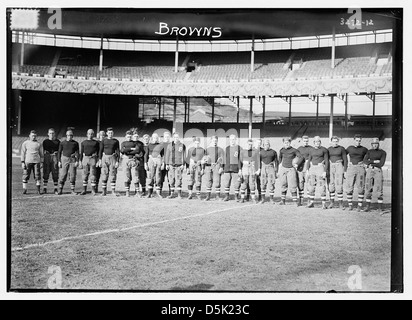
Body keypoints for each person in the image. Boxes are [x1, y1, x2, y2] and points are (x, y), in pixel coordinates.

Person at [362, 138, 387, 212]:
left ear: (378, 144)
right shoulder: (369, 151)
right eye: (373, 144)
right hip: (370, 170)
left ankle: (380, 208)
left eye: (376, 143)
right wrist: (373, 161)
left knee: (379, 189)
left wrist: (370, 162)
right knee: (368, 188)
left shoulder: (382, 152)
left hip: (377, 171)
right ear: (371, 144)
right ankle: (367, 207)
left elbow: (381, 163)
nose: (375, 145)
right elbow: (365, 161)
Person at [345, 134, 368, 211]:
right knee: (349, 187)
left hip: (360, 168)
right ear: (354, 140)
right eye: (357, 140)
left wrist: (365, 163)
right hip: (351, 168)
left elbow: (370, 156)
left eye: (359, 141)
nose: (358, 142)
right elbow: (342, 155)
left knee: (361, 187)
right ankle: (350, 205)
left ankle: (359, 206)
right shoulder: (349, 148)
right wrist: (347, 163)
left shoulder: (364, 149)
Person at [306, 136, 329, 209]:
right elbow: (309, 160)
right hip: (312, 168)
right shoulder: (311, 150)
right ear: (314, 142)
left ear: (320, 142)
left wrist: (325, 171)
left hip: (320, 168)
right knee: (311, 186)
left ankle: (324, 203)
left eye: (318, 141)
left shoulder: (324, 150)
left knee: (322, 186)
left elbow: (326, 161)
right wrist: (307, 170)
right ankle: (311, 203)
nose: (317, 143)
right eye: (316, 142)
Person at [278, 137, 303, 206]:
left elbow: (301, 157)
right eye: (285, 143)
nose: (287, 144)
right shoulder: (282, 150)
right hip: (283, 168)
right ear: (283, 143)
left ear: (290, 143)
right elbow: (280, 157)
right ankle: (283, 201)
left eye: (288, 142)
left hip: (291, 169)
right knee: (283, 184)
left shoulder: (294, 150)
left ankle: (295, 202)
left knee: (293, 185)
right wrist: (280, 164)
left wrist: (297, 164)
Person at [121, 130, 144, 197]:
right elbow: (122, 150)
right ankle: (127, 192)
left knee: (135, 176)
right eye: (128, 136)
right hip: (125, 160)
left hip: (133, 160)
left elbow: (137, 150)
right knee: (126, 176)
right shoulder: (123, 143)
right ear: (125, 136)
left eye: (130, 136)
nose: (129, 137)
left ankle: (137, 192)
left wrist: (127, 151)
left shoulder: (135, 143)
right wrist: (131, 148)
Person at [327, 136, 347, 209]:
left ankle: (340, 204)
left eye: (336, 141)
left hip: (339, 166)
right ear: (331, 142)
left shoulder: (341, 149)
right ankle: (331, 203)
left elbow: (345, 159)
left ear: (338, 142)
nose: (335, 143)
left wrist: (345, 170)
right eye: (333, 141)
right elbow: (326, 158)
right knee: (331, 185)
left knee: (339, 184)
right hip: (331, 166)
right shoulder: (329, 149)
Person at [21, 130, 44, 194]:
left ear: (36, 136)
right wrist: (22, 162)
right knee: (25, 175)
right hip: (27, 161)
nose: (33, 137)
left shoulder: (39, 144)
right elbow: (23, 153)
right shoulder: (25, 143)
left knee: (37, 176)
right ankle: (24, 189)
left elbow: (41, 154)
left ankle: (38, 190)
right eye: (32, 136)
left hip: (36, 162)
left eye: (35, 136)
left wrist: (42, 162)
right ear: (29, 136)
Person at [99, 127, 120, 196]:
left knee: (113, 174)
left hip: (113, 158)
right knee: (104, 174)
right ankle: (104, 191)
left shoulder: (116, 141)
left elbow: (118, 151)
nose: (110, 134)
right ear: (107, 133)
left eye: (111, 133)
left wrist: (117, 161)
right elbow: (100, 151)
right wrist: (99, 160)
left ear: (113, 133)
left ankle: (113, 191)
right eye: (109, 133)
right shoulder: (104, 141)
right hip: (105, 158)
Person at [57, 129, 79, 195]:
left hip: (72, 159)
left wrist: (77, 161)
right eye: (68, 135)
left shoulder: (75, 143)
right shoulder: (62, 143)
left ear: (72, 136)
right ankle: (60, 189)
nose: (69, 136)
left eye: (71, 135)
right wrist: (59, 161)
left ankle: (72, 190)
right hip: (64, 159)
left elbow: (77, 152)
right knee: (63, 175)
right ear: (66, 135)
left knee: (72, 175)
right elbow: (59, 152)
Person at [79, 129, 100, 195]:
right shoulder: (83, 142)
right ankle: (84, 190)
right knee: (85, 175)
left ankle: (93, 190)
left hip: (93, 158)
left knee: (93, 175)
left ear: (93, 134)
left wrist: (98, 160)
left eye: (91, 134)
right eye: (89, 133)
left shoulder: (96, 143)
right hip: (85, 158)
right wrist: (80, 161)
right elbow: (81, 152)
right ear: (87, 134)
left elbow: (99, 152)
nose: (90, 135)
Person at [165, 132, 186, 199]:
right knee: (171, 180)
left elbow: (184, 155)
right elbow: (167, 155)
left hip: (179, 165)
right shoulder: (169, 145)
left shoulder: (182, 145)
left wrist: (183, 164)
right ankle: (171, 194)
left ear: (179, 137)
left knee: (178, 180)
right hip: (171, 165)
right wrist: (167, 164)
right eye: (175, 137)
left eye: (177, 137)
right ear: (173, 137)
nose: (176, 138)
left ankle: (179, 195)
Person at [239, 139, 260, 204]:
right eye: (249, 144)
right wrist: (239, 170)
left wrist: (258, 169)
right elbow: (239, 161)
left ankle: (253, 198)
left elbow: (258, 161)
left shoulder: (255, 151)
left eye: (251, 144)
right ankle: (242, 198)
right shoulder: (242, 151)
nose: (250, 146)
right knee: (244, 183)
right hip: (245, 168)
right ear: (246, 144)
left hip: (252, 168)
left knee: (252, 183)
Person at [204, 135, 225, 201]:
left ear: (217, 141)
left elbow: (223, 159)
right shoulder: (207, 149)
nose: (214, 142)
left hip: (217, 166)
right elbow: (205, 158)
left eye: (216, 141)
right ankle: (208, 196)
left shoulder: (220, 149)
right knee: (208, 181)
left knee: (217, 181)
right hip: (209, 166)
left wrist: (221, 167)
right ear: (211, 141)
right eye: (213, 140)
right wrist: (204, 164)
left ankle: (218, 196)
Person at [222, 134, 242, 202]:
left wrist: (240, 169)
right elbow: (224, 158)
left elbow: (240, 159)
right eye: (231, 139)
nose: (232, 141)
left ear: (236, 140)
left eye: (233, 139)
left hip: (235, 169)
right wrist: (222, 167)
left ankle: (236, 196)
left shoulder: (239, 148)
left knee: (236, 184)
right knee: (226, 183)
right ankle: (226, 196)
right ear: (229, 140)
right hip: (227, 168)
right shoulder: (227, 148)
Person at [145, 133, 165, 198]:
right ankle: (149, 193)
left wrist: (163, 163)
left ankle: (158, 193)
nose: (155, 139)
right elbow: (146, 155)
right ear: (152, 138)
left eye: (156, 138)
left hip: (158, 160)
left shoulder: (160, 145)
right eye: (154, 138)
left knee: (158, 176)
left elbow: (163, 155)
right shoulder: (149, 145)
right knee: (150, 176)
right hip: (151, 160)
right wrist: (145, 163)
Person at [259, 139, 278, 204]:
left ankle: (271, 199)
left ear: (269, 145)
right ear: (263, 145)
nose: (266, 146)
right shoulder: (261, 152)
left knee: (271, 183)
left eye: (267, 144)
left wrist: (276, 170)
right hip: (263, 168)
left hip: (271, 167)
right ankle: (263, 199)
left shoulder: (273, 152)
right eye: (265, 144)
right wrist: (259, 169)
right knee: (263, 183)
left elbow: (276, 161)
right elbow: (258, 161)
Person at [42, 128, 60, 194]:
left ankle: (55, 189)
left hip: (55, 157)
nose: (51, 134)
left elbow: (60, 151)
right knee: (46, 172)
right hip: (47, 157)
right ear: (48, 134)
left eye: (53, 133)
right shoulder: (45, 141)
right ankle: (44, 188)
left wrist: (57, 153)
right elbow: (42, 151)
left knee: (55, 172)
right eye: (50, 133)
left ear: (54, 134)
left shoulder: (58, 142)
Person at [297, 135, 313, 206]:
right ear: (302, 141)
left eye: (307, 141)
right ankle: (301, 200)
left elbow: (312, 158)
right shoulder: (299, 149)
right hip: (300, 167)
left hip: (308, 166)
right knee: (300, 183)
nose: (305, 142)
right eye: (304, 141)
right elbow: (297, 158)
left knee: (308, 184)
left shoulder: (311, 148)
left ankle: (309, 200)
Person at [132, 130, 147, 197]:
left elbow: (142, 153)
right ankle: (136, 191)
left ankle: (143, 191)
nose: (136, 137)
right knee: (135, 176)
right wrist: (134, 155)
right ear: (132, 136)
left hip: (141, 162)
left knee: (142, 176)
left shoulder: (141, 143)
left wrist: (139, 155)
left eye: (137, 136)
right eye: (134, 136)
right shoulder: (130, 143)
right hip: (133, 162)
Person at [160, 132, 172, 197]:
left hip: (170, 163)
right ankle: (160, 192)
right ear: (163, 137)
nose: (167, 138)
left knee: (170, 178)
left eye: (168, 137)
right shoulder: (161, 144)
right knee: (161, 178)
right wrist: (162, 162)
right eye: (165, 137)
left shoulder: (172, 144)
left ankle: (170, 193)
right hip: (162, 163)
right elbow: (159, 155)